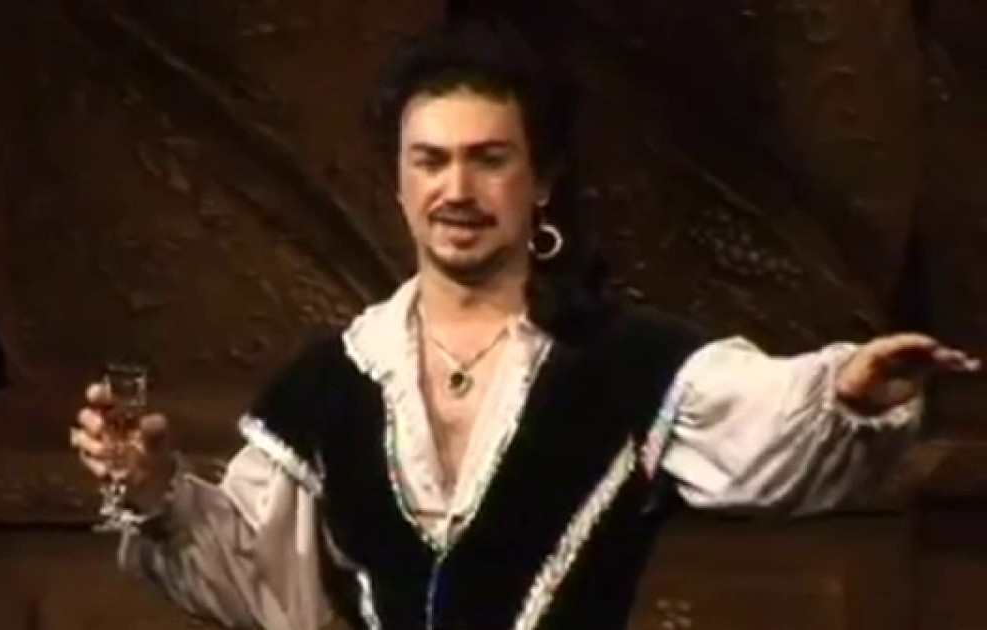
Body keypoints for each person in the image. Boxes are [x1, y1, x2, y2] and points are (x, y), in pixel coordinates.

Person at [68, 19, 979, 630]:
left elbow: (767, 414)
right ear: (399, 183)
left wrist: (847, 387)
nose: (456, 189)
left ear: (540, 180)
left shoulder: (621, 363)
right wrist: (154, 489)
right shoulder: (332, 384)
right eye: (430, 161)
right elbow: (249, 574)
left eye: (488, 159)